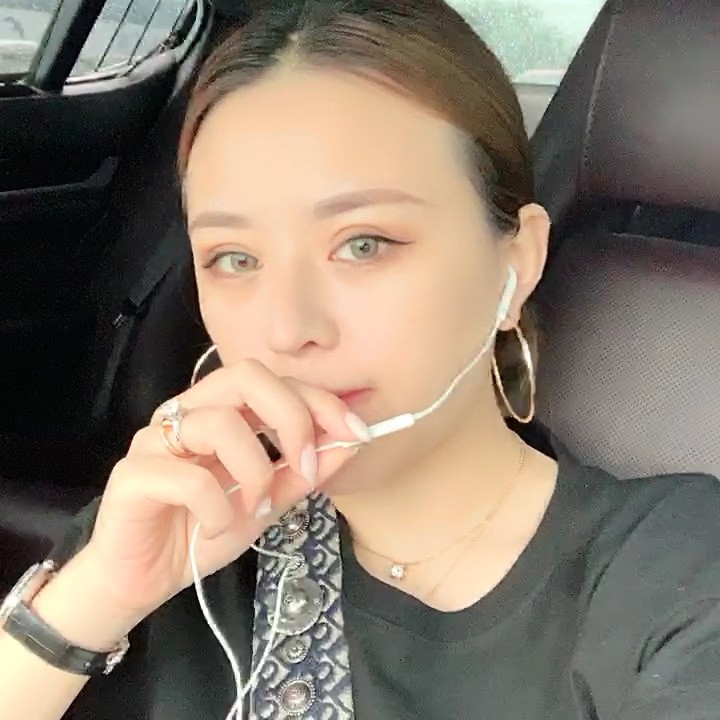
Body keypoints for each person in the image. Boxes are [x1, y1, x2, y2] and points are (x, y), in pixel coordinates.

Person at [2, 2, 719, 719]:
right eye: (235, 258)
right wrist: (99, 597)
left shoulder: (675, 576)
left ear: (517, 260)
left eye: (364, 244)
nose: (287, 329)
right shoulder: (174, 518)